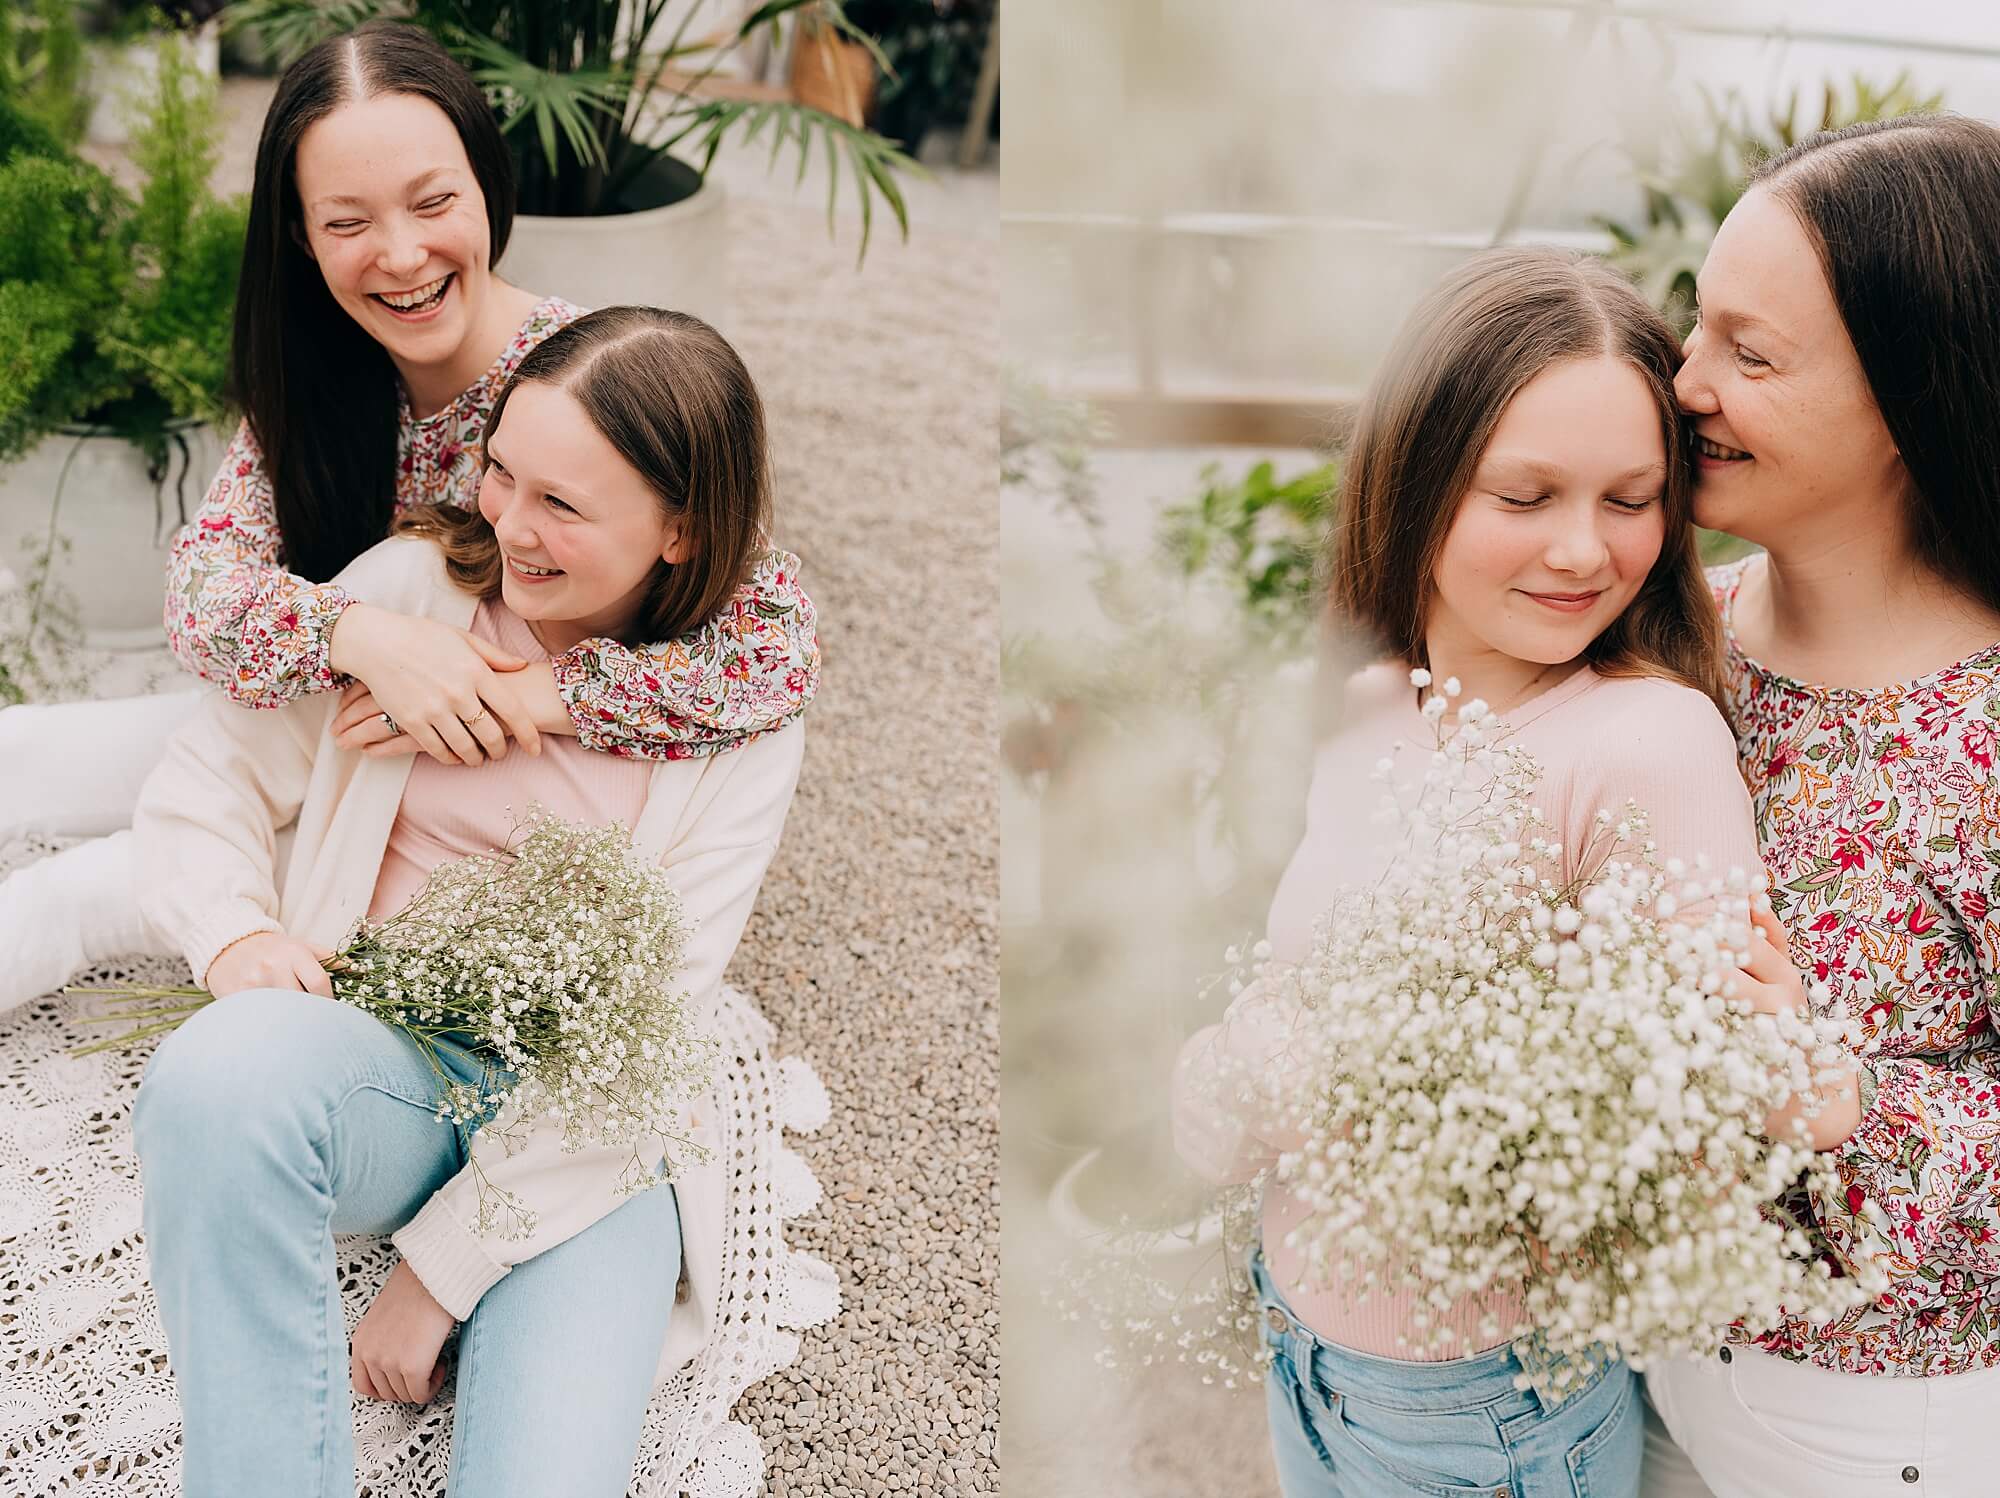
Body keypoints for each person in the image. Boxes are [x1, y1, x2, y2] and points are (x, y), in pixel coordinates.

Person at [1170, 248, 1857, 1498]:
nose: (1582, 552)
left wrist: (1329, 1089)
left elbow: (1693, 1149)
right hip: (1301, 1351)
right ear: (1414, 480)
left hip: (1484, 1413)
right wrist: (1226, 1080)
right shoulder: (1365, 704)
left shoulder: (1642, 744)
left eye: (1630, 498)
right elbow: (1289, 987)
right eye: (1524, 495)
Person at [0, 20, 816, 1006]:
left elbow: (775, 653)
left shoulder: (586, 381)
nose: (400, 254)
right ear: (300, 236)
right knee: (29, 753)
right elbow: (206, 601)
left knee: (80, 888)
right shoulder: (323, 372)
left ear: (486, 187)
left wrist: (530, 695)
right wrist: (368, 636)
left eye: (433, 202)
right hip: (331, 722)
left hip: (461, 804)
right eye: (346, 223)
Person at [130, 305, 804, 1497]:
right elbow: (206, 779)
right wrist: (234, 933)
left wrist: (436, 1274)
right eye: (502, 473)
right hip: (381, 1064)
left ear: (679, 533)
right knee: (212, 1075)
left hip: (593, 1145)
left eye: (564, 504)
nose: (510, 522)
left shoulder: (736, 731)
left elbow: (644, 1043)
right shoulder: (408, 595)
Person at [1641, 114, 2000, 1498]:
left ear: (1913, 396)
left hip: (1881, 1434)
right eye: (1696, 329)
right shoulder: (1672, 629)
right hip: (1643, 1367)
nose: (1682, 384)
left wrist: (1851, 1103)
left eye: (1752, 352)